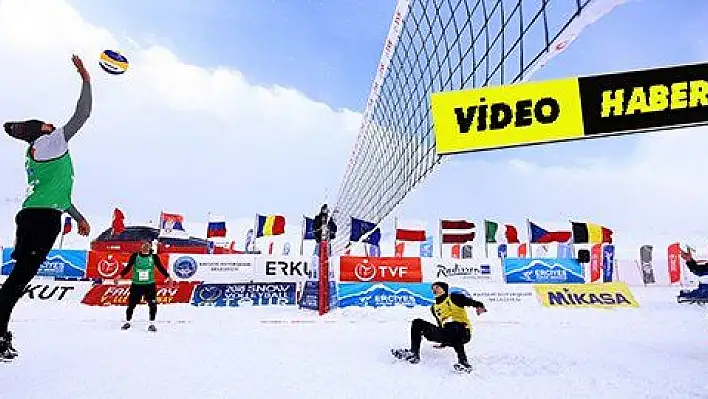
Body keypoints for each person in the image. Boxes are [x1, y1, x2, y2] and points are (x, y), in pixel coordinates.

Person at [0, 55, 92, 362]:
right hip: (41, 220)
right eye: (47, 124)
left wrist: (77, 217)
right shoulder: (52, 142)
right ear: (43, 130)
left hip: (36, 215)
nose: (53, 124)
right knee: (19, 279)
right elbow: (83, 114)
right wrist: (86, 79)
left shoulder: (39, 149)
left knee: (19, 277)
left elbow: (60, 198)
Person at [391, 281, 487, 373]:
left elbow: (469, 301)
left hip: (463, 332)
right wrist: (443, 341)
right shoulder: (434, 308)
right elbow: (440, 324)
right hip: (447, 333)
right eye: (433, 288)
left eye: (437, 287)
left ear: (444, 289)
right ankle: (414, 354)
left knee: (453, 326)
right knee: (417, 322)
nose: (434, 290)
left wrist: (479, 306)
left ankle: (464, 363)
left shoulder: (453, 297)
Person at [118, 241, 171, 332]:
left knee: (152, 305)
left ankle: (152, 324)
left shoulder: (154, 257)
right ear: (141, 249)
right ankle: (128, 322)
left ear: (150, 249)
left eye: (147, 249)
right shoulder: (135, 256)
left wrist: (168, 276)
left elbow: (160, 267)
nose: (145, 251)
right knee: (131, 305)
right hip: (136, 285)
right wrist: (119, 276)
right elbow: (128, 267)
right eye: (144, 249)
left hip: (149, 285)